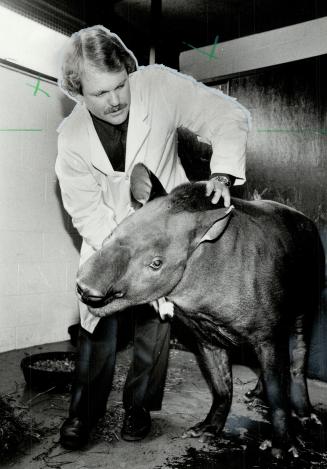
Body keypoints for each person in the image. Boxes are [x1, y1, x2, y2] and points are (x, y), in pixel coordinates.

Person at [55, 25, 250, 450]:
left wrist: (222, 170)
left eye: (121, 85)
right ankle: (82, 415)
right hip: (107, 237)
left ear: (129, 71)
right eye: (100, 93)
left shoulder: (160, 84)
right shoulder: (71, 139)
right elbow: (85, 209)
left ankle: (139, 407)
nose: (116, 100)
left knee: (155, 323)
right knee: (97, 327)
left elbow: (228, 114)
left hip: (166, 232)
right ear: (77, 92)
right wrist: (125, 255)